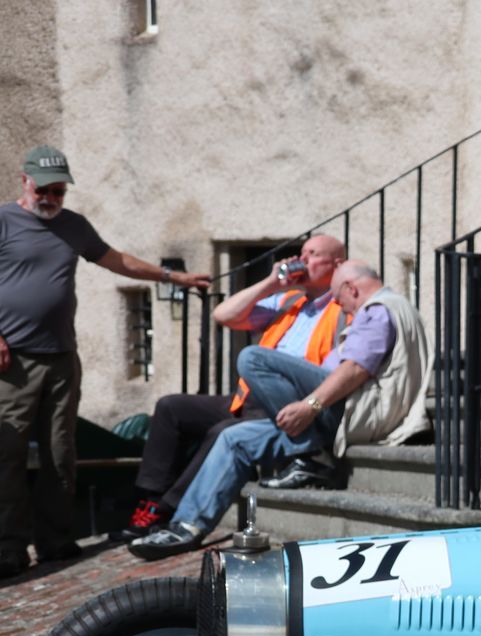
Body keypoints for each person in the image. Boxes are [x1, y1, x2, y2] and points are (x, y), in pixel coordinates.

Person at [0, 145, 211, 579]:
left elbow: (118, 261)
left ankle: (55, 541)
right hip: (12, 359)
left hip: (61, 357)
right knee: (8, 454)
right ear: (25, 181)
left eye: (59, 191)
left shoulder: (74, 226)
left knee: (61, 452)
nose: (51, 198)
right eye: (44, 189)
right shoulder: (4, 220)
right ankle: (9, 548)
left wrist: (173, 276)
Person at [131, 260, 430, 559]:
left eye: (340, 300)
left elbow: (354, 369)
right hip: (342, 410)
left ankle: (313, 454)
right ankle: (187, 526)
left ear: (351, 288)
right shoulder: (390, 307)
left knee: (252, 358)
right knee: (234, 438)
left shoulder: (377, 310)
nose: (343, 309)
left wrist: (310, 405)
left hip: (353, 411)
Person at [113, 234, 349, 541]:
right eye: (301, 253)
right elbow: (223, 314)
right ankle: (151, 500)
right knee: (171, 407)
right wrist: (271, 283)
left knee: (224, 430)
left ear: (337, 264)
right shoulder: (289, 300)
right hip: (247, 397)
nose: (302, 260)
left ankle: (169, 509)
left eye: (312, 254)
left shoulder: (344, 306)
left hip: (285, 399)